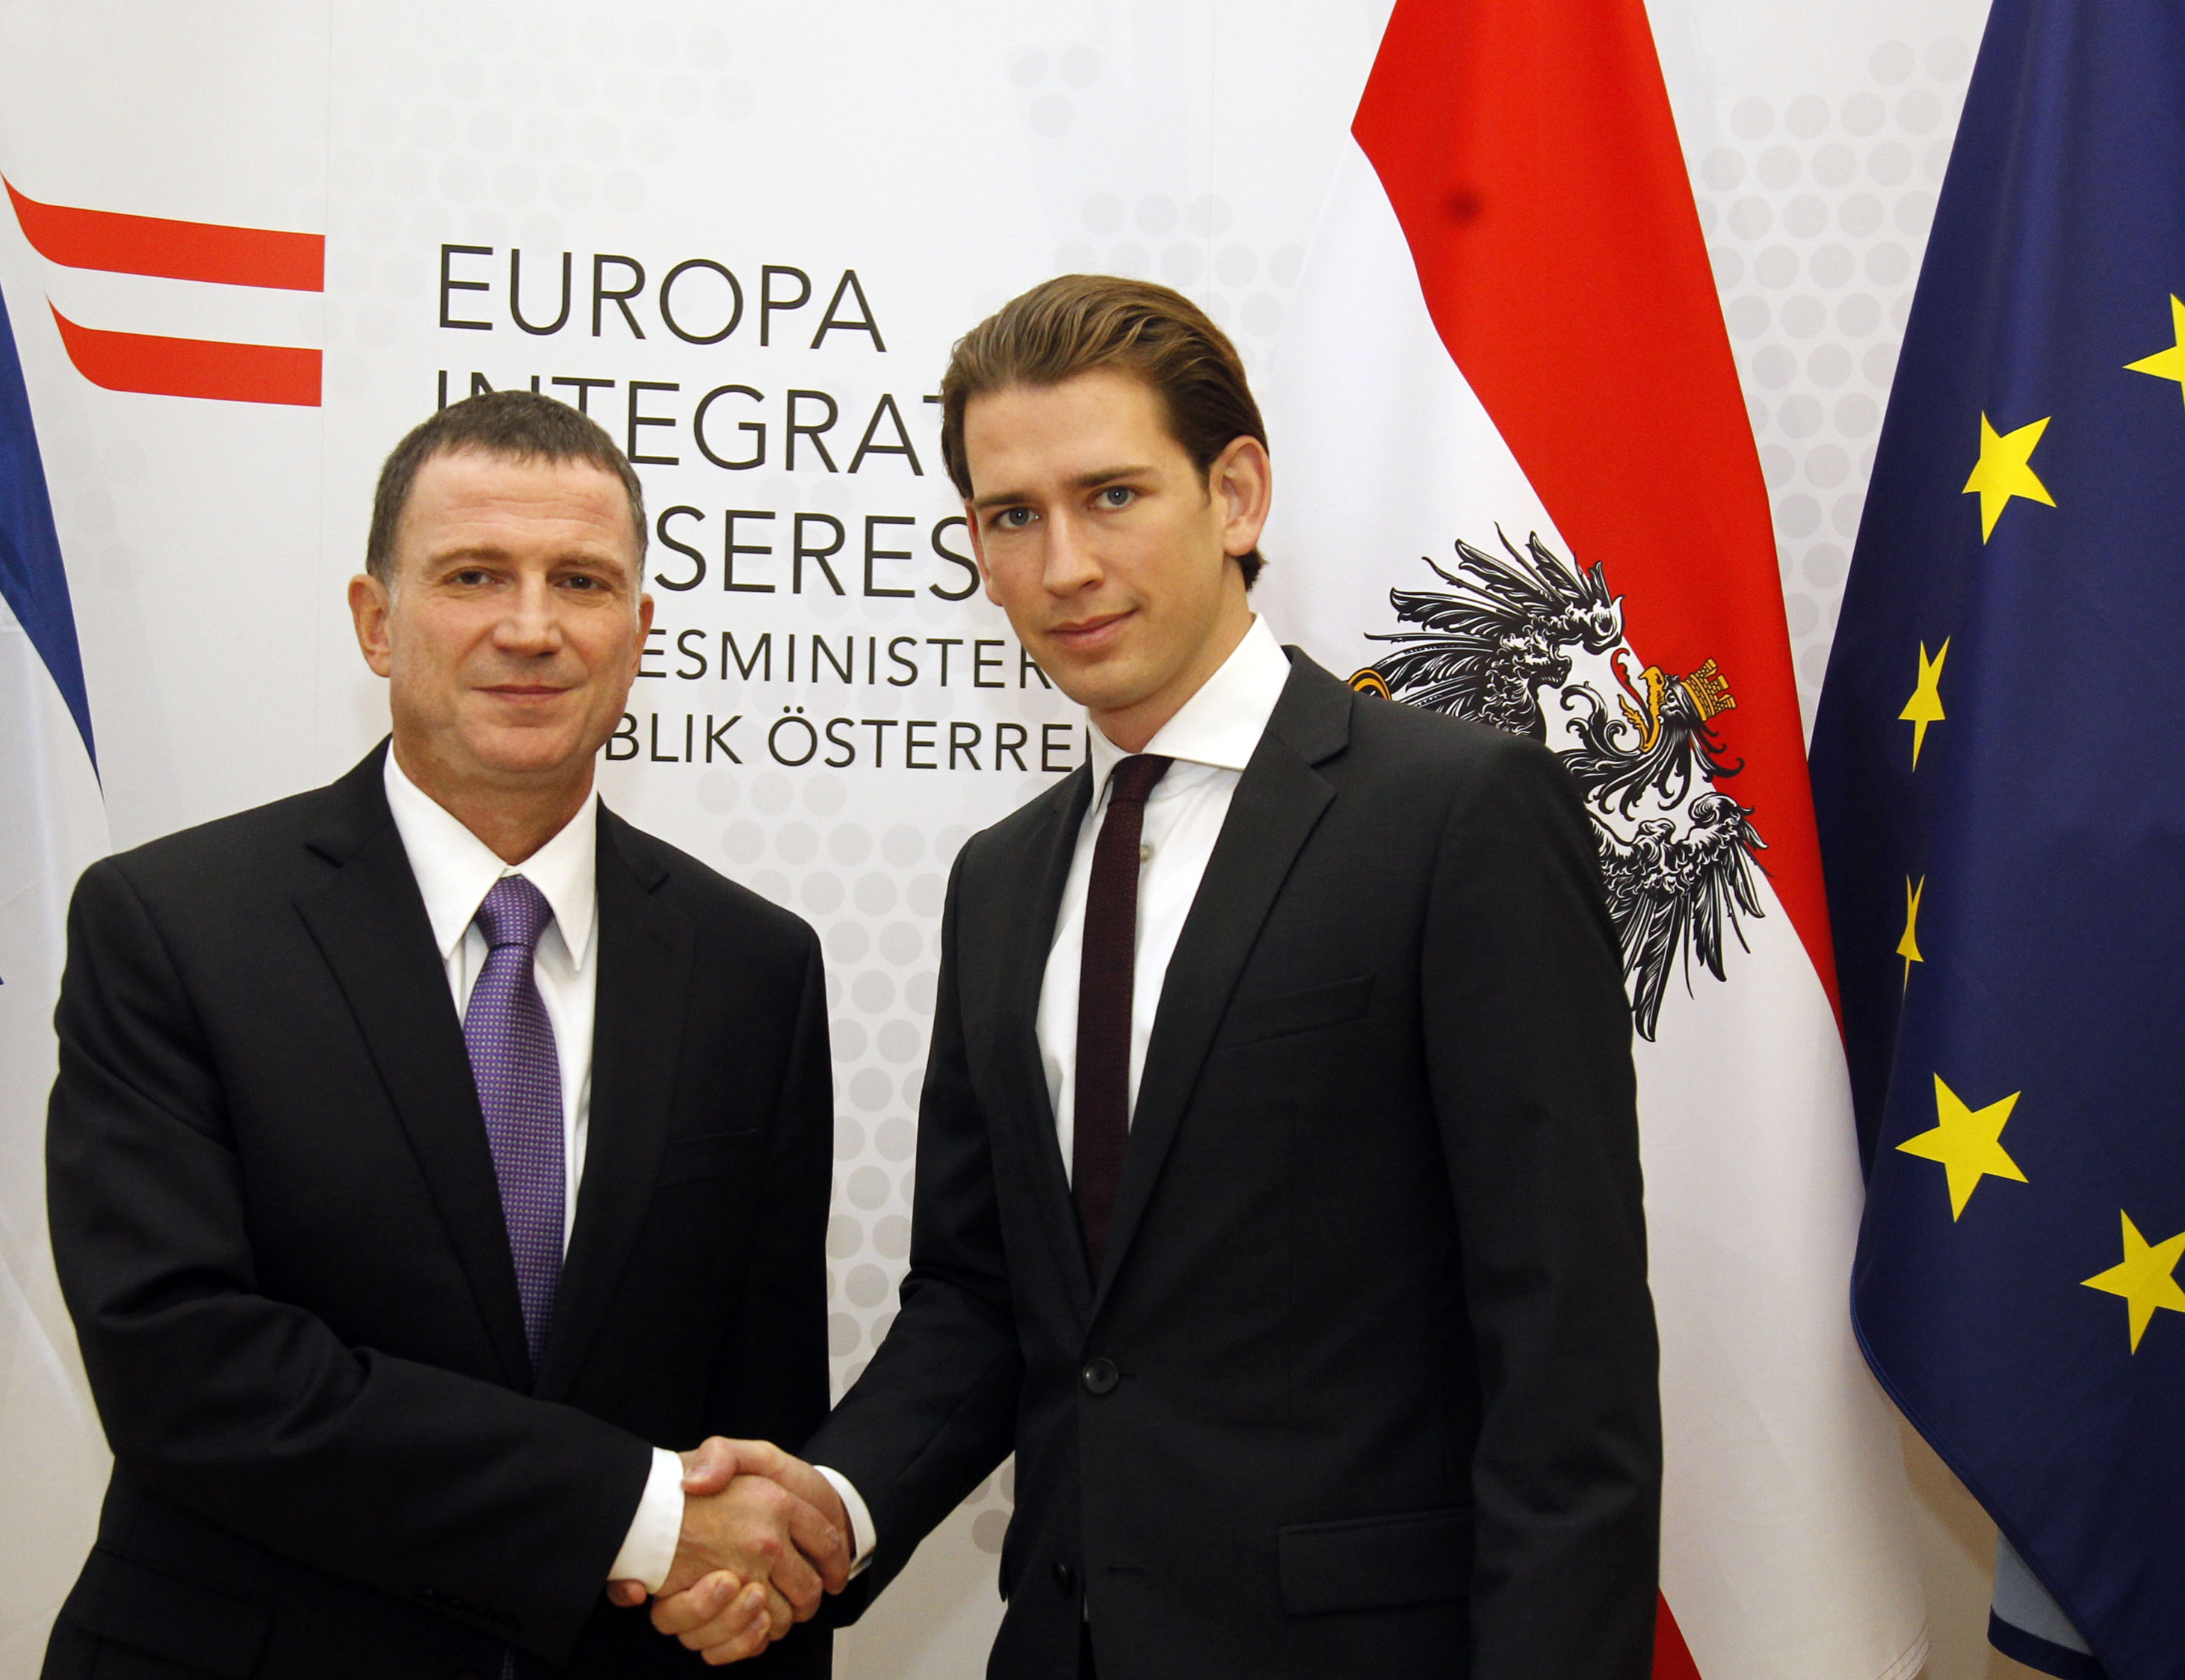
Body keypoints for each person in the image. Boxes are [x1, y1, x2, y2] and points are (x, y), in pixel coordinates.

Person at [658, 276, 1662, 1676]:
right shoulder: (1001, 879)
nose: (1063, 563)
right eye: (1014, 516)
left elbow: (1568, 1357)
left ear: (1236, 495)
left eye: (1112, 495)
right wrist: (827, 1505)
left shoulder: (1458, 815)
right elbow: (979, 1302)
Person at [41, 390, 846, 1679]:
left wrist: (751, 1594)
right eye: (475, 575)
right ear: (377, 621)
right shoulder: (174, 927)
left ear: (638, 632)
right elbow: (183, 1370)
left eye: (580, 582)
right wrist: (634, 1518)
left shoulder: (754, 966)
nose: (530, 629)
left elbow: (754, 1422)